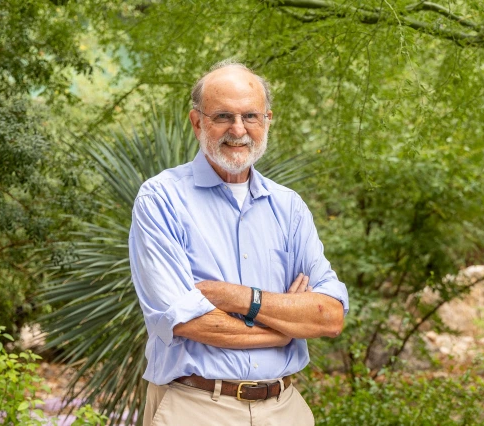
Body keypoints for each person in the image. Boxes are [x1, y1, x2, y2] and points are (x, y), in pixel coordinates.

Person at [129, 60, 349, 426]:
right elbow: (186, 321)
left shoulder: (289, 206)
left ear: (267, 121)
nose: (238, 129)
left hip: (285, 409)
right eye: (222, 117)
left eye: (250, 116)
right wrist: (284, 328)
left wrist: (236, 298)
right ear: (197, 122)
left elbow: (329, 316)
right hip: (195, 406)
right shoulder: (160, 199)